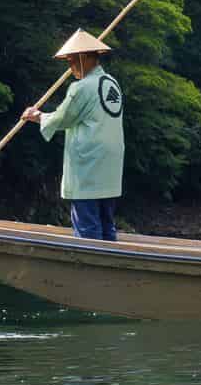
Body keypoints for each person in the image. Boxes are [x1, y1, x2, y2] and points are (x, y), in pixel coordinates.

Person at [24, 29, 126, 242]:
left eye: (71, 60)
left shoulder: (82, 87)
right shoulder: (112, 82)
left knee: (87, 226)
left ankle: (91, 261)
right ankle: (108, 259)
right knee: (106, 222)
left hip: (88, 163)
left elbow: (63, 118)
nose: (70, 67)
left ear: (84, 57)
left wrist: (37, 116)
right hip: (110, 162)